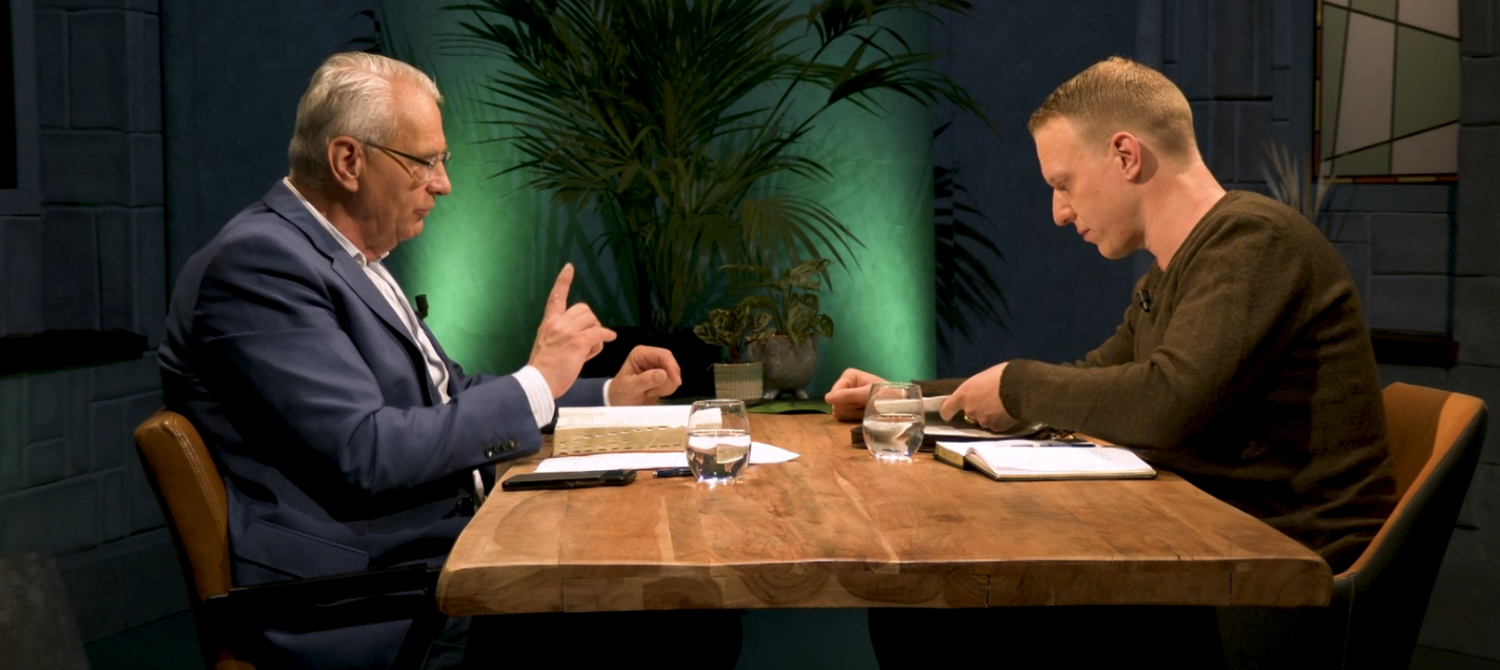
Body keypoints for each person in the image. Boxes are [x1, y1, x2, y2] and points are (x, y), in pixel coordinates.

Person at [159, 52, 737, 669]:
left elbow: (450, 393)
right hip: (375, 600)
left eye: (443, 161)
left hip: (441, 559)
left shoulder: (350, 257)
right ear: (349, 161)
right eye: (424, 162)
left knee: (691, 605)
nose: (443, 184)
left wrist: (604, 395)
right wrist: (537, 379)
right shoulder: (259, 264)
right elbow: (365, 450)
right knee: (687, 618)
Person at [828, 57, 1396, 667]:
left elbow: (1167, 402)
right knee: (918, 608)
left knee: (925, 617)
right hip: (1207, 558)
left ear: (1126, 156)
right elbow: (1092, 380)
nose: (1059, 211)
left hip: (1270, 587)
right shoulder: (1175, 272)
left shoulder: (1255, 242)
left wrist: (1017, 385)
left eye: (1063, 183)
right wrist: (908, 395)